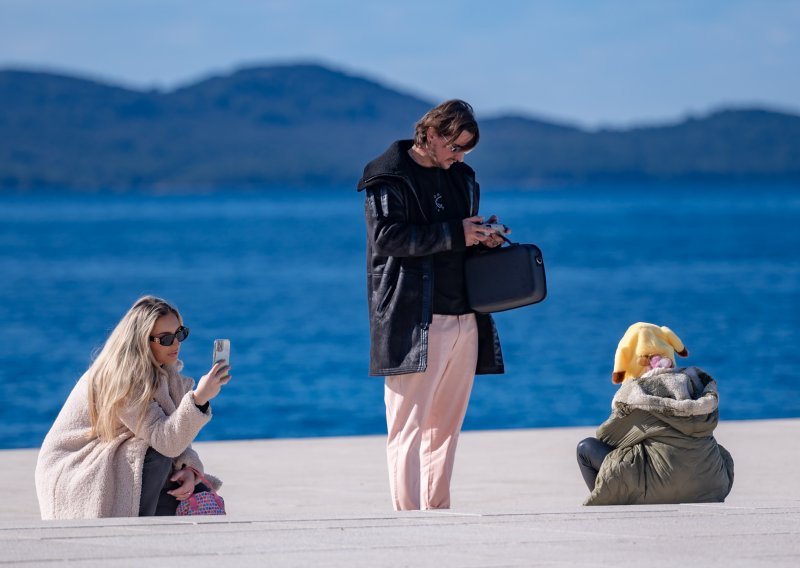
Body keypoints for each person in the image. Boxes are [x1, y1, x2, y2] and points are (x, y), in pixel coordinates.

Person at [357, 99, 506, 511]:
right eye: (455, 146)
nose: (459, 157)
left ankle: (437, 517)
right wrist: (456, 233)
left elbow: (458, 237)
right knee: (407, 428)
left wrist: (482, 236)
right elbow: (387, 238)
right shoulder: (388, 176)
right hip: (412, 319)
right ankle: (408, 523)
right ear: (433, 134)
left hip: (466, 318)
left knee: (446, 429)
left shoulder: (462, 178)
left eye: (465, 150)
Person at [35, 296, 231, 519]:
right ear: (141, 342)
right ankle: (143, 525)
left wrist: (188, 469)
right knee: (156, 455)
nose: (176, 344)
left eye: (180, 334)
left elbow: (174, 437)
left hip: (121, 456)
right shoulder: (121, 378)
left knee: (201, 497)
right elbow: (165, 441)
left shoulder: (164, 373)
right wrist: (199, 399)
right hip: (77, 468)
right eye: (166, 339)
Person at [577, 324, 734, 505]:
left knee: (586, 448)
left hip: (656, 488)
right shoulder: (696, 386)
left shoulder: (637, 394)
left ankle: (608, 502)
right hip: (711, 485)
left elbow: (607, 438)